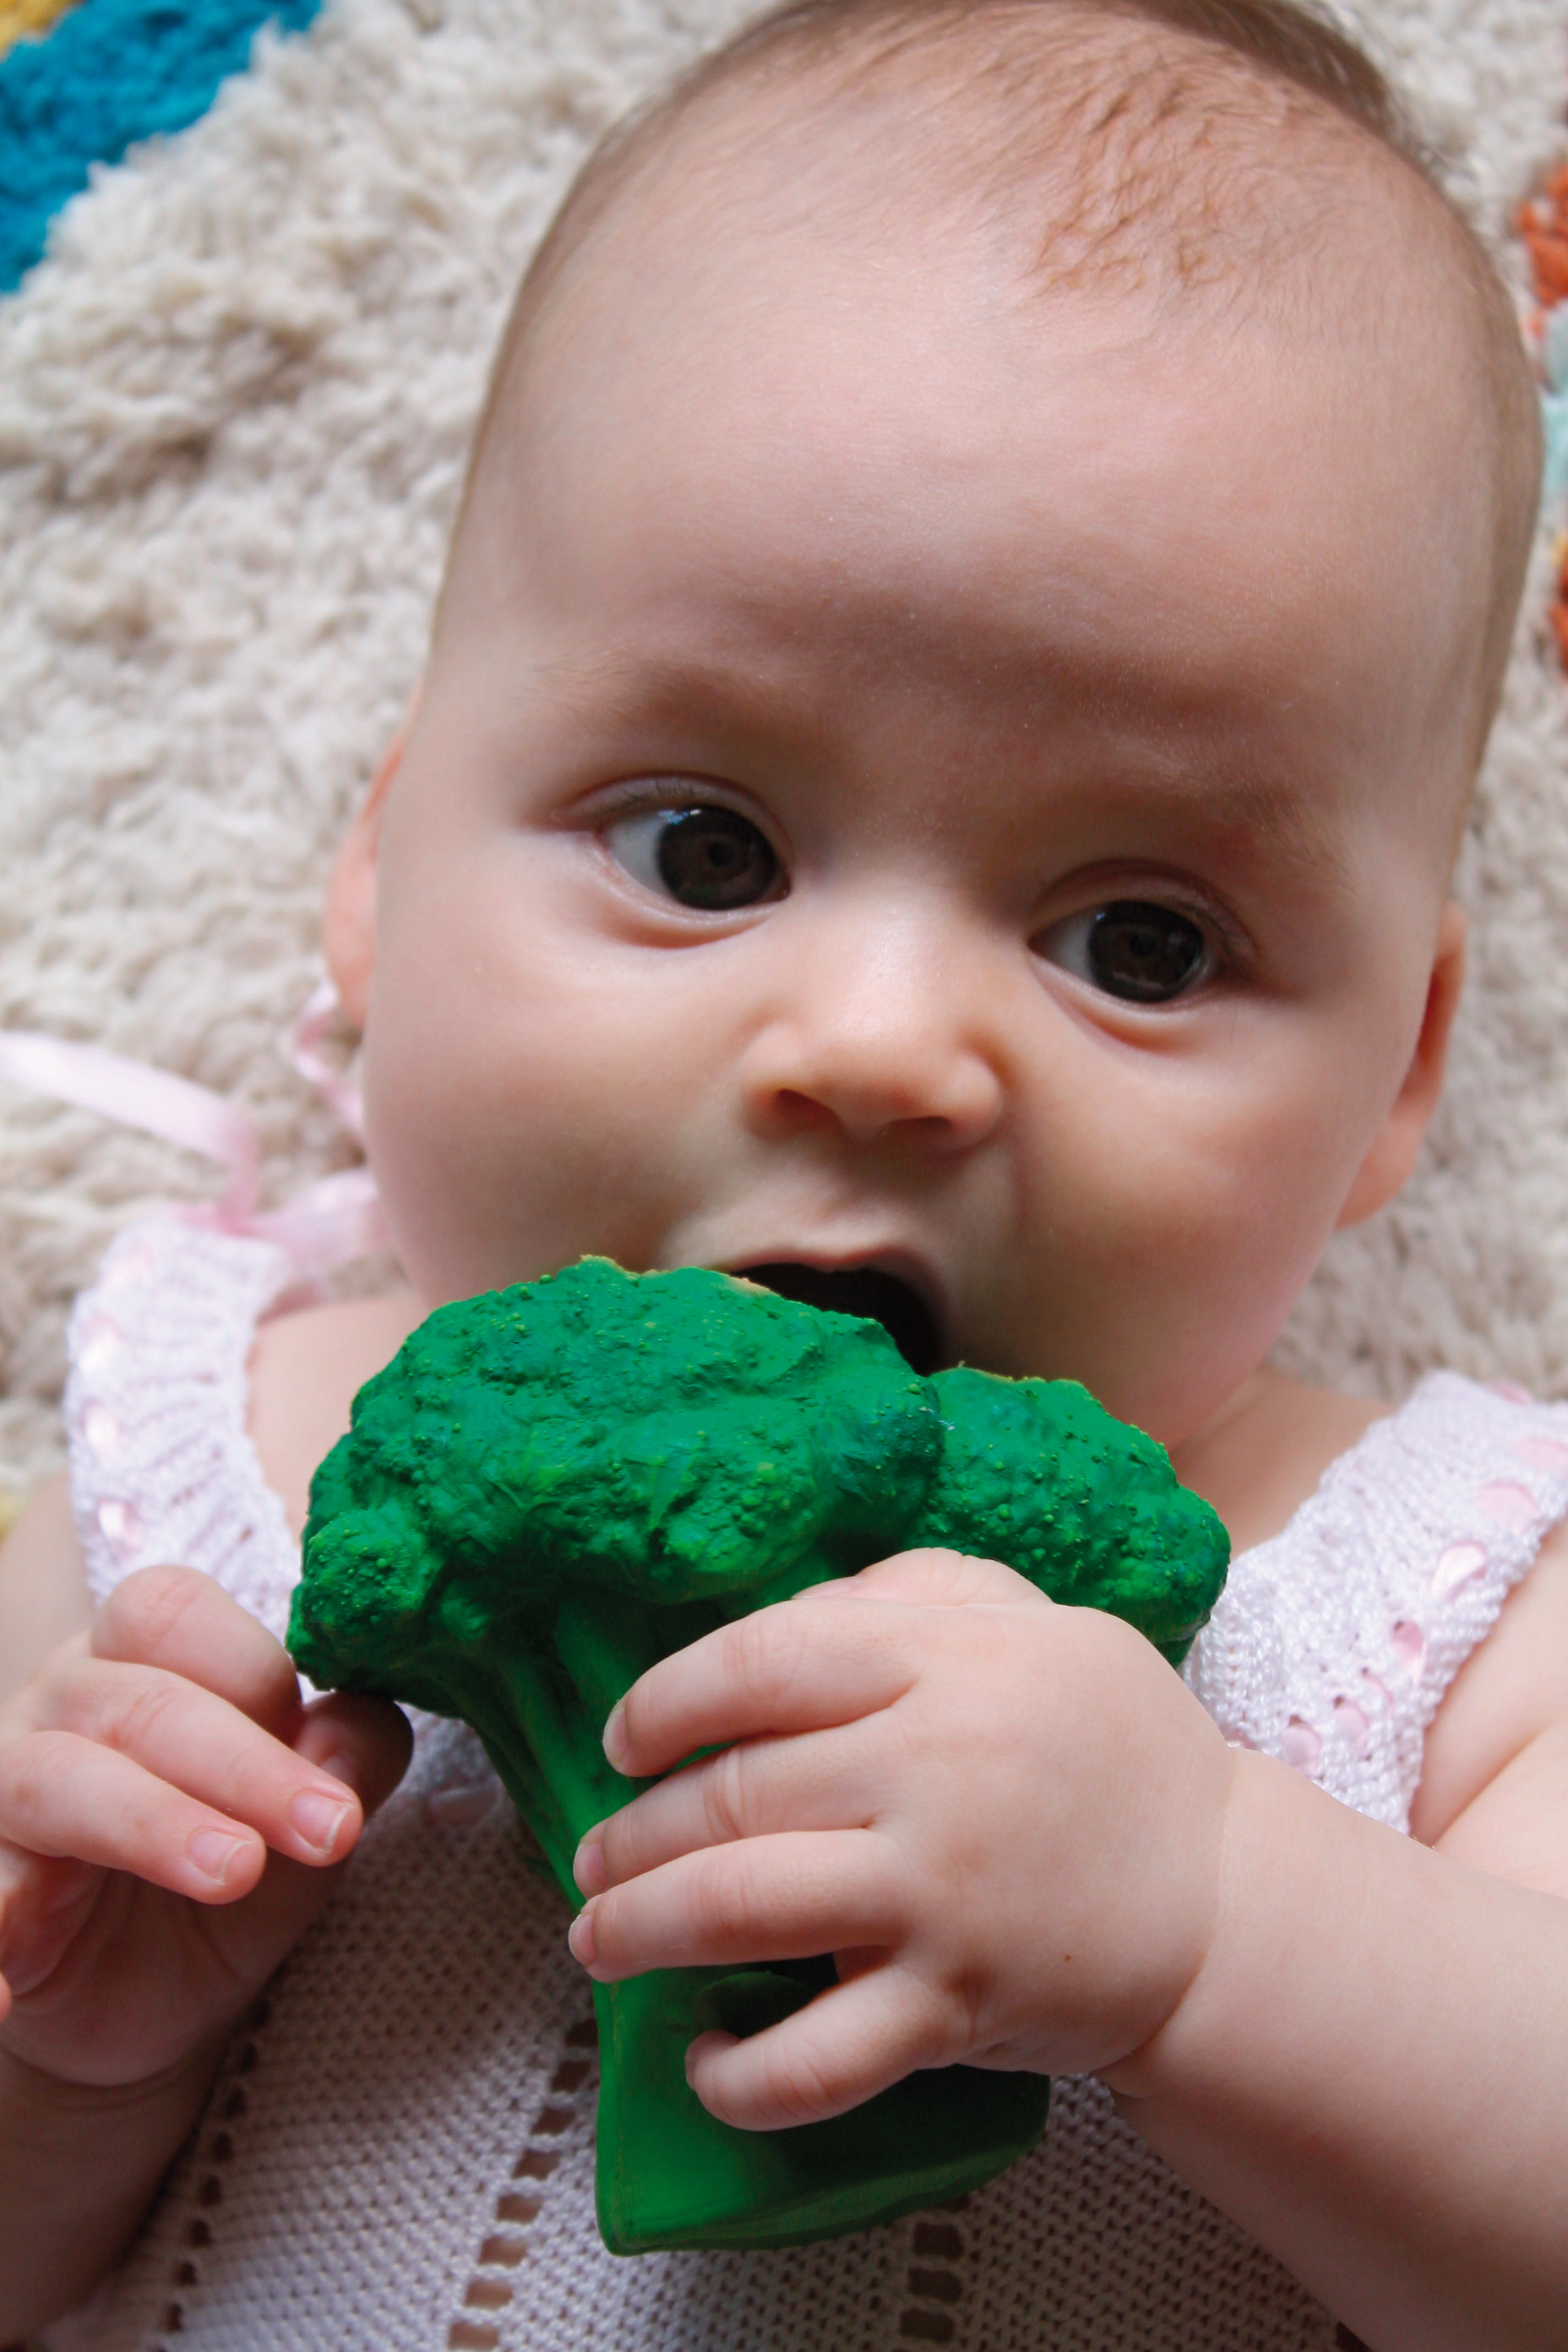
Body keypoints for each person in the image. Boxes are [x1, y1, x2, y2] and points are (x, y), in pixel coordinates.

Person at [0, 0, 1562, 2344]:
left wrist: (1230, 1921)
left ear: (1399, 1071)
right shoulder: (191, 1486)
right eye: (702, 845)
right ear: (379, 865)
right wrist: (66, 2064)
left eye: (1141, 938)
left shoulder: (1446, 1614)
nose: (879, 1052)